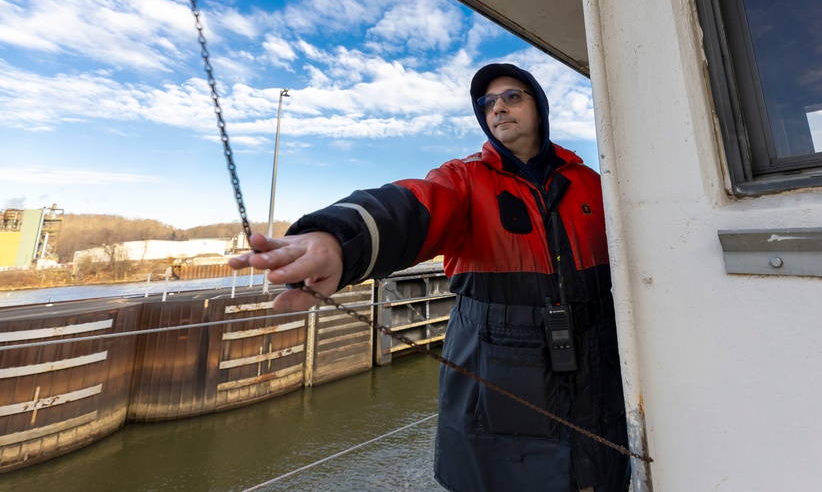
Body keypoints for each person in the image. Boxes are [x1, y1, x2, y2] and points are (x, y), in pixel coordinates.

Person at [230, 63, 630, 492]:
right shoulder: (464, 179)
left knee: (601, 473)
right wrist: (341, 240)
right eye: (487, 103)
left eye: (512, 97)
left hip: (597, 372)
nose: (498, 108)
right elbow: (415, 207)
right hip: (498, 382)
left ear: (539, 108)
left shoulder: (590, 184)